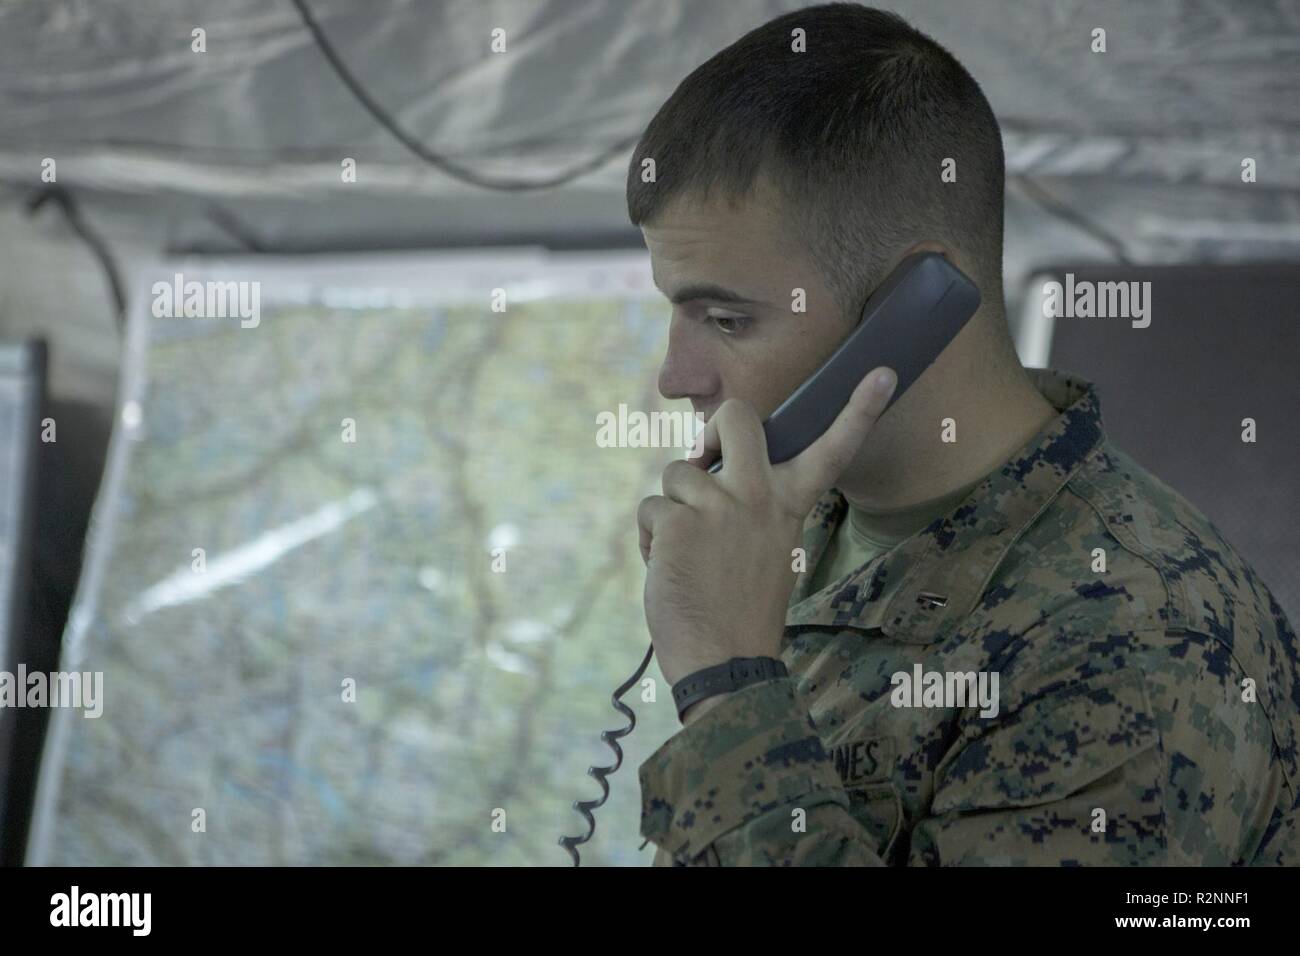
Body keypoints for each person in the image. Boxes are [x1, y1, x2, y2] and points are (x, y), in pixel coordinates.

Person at [627, 3, 1298, 865]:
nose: (675, 376)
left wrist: (726, 685)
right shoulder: (785, 524)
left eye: (725, 317)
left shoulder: (1129, 643)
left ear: (916, 310)